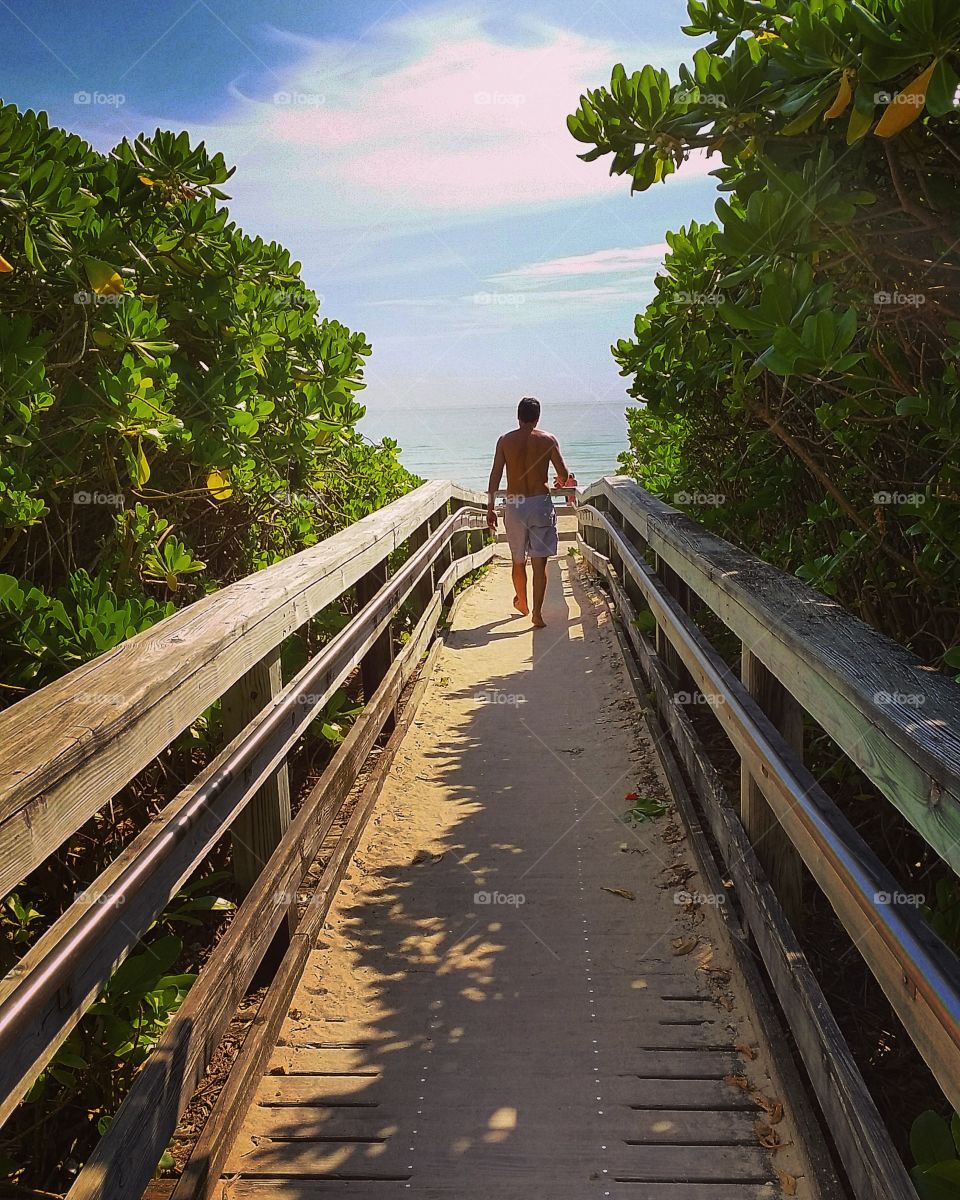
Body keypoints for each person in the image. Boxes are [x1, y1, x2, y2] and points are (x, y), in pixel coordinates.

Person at [486, 397, 572, 628]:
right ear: (537, 417)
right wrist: (560, 482)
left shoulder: (505, 441)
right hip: (540, 503)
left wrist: (490, 507)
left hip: (514, 503)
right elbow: (563, 474)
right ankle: (537, 614)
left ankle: (521, 602)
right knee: (539, 563)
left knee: (517, 560)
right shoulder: (548, 440)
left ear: (518, 416)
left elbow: (495, 475)